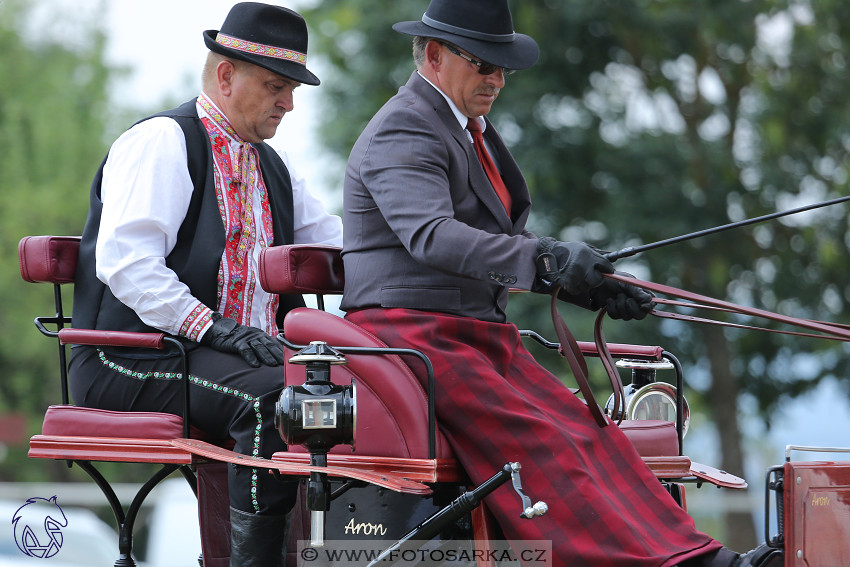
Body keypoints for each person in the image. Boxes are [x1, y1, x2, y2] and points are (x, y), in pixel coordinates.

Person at [340, 1, 777, 566]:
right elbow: (433, 237)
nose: (496, 80)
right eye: (483, 65)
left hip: (472, 332)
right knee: (542, 441)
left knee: (589, 430)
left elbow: (495, 242)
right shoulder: (404, 128)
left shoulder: (468, 130)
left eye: (502, 69)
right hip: (411, 334)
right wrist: (548, 261)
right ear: (433, 55)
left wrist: (585, 284)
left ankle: (692, 554)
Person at [68, 3, 341, 566]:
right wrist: (215, 329)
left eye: (292, 89)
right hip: (127, 358)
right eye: (275, 86)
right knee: (275, 398)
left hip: (224, 361)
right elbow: (127, 265)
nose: (288, 103)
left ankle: (327, 550)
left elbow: (337, 249)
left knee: (354, 392)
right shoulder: (163, 141)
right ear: (225, 76)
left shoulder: (275, 166)